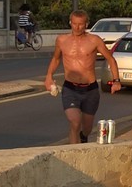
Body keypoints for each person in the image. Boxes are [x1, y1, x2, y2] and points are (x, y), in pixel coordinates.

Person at [43, 9, 122, 144]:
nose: (77, 27)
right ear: (70, 23)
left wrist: (116, 81)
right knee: (75, 121)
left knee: (87, 128)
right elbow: (56, 59)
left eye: (80, 24)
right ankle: (74, 152)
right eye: (74, 24)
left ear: (86, 24)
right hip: (70, 88)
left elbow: (110, 59)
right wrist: (49, 76)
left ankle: (83, 136)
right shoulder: (62, 40)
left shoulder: (94, 40)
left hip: (90, 89)